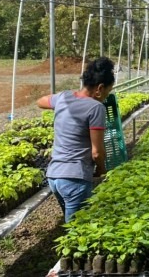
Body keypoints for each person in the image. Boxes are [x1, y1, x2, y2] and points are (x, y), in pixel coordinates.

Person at [37, 56, 115, 222]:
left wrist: (64, 106)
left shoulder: (64, 97)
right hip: (75, 178)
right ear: (99, 88)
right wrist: (101, 169)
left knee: (71, 224)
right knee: (77, 231)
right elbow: (97, 152)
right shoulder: (96, 108)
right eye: (107, 93)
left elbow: (40, 101)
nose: (106, 97)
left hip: (54, 177)